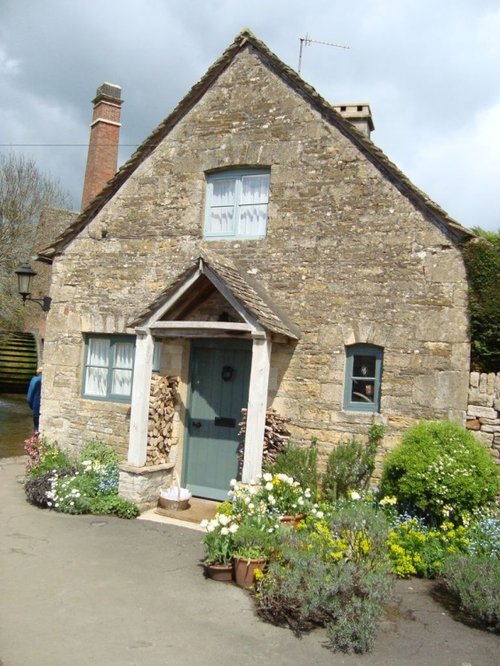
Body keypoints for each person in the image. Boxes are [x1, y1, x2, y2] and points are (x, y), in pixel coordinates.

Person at [26, 367, 42, 433]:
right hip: (43, 410)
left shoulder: (34, 380)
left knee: (36, 430)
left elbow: (29, 397)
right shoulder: (42, 380)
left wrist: (31, 406)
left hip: (36, 409)